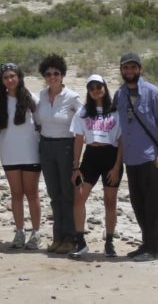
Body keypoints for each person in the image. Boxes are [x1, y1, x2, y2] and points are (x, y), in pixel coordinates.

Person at [69, 75, 122, 258]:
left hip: (110, 157)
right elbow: (78, 140)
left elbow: (121, 141)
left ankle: (109, 242)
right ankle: (81, 242)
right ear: (88, 91)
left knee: (110, 202)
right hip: (90, 157)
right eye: (91, 88)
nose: (95, 90)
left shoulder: (116, 111)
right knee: (79, 199)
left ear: (105, 87)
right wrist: (76, 167)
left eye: (98, 86)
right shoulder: (83, 112)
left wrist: (116, 167)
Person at [36, 54, 83, 254]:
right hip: (46, 147)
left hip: (65, 147)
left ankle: (70, 238)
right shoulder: (42, 96)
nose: (52, 77)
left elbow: (85, 118)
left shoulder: (72, 97)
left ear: (62, 75)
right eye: (48, 74)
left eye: (56, 73)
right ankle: (57, 237)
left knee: (67, 194)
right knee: (54, 194)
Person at [114, 52, 158, 262]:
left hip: (151, 158)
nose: (129, 71)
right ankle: (146, 244)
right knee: (137, 203)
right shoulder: (119, 94)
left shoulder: (152, 92)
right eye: (125, 68)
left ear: (140, 69)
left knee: (153, 205)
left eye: (133, 67)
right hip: (131, 159)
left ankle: (154, 248)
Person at [0, 63, 42, 250]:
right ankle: (19, 231)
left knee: (32, 193)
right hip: (9, 153)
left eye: (13, 76)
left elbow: (40, 123)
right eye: (6, 77)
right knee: (16, 194)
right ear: (2, 81)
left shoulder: (32, 99)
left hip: (31, 152)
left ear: (19, 77)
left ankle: (36, 232)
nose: (10, 80)